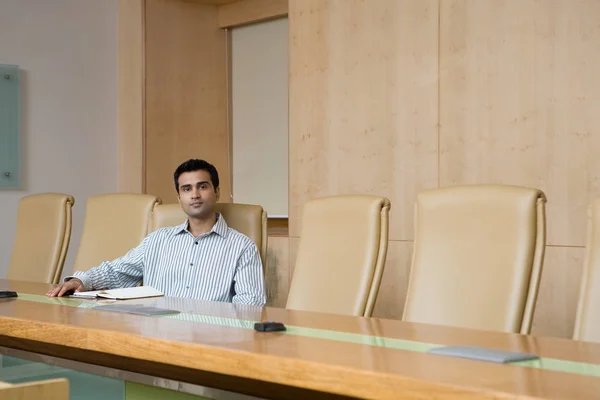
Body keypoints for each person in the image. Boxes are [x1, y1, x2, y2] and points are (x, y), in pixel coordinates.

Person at [47, 159, 266, 306]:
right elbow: (117, 271)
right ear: (179, 197)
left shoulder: (242, 247)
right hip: (156, 335)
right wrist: (81, 280)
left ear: (217, 192)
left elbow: (250, 308)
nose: (195, 195)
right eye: (187, 189)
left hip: (210, 341)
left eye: (203, 186)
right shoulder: (158, 240)